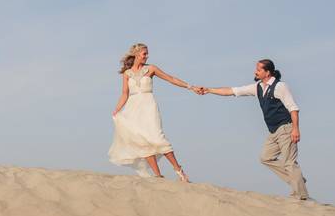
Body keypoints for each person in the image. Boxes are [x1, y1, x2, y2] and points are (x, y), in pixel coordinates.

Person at [195, 59, 310, 200]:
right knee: (265, 158)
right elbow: (232, 91)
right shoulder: (258, 87)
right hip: (273, 131)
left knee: (289, 163)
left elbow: (293, 108)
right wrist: (208, 90)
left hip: (286, 128)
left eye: (259, 69)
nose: (255, 72)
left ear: (267, 72)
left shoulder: (280, 87)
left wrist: (295, 129)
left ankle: (301, 195)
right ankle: (297, 181)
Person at [108, 42, 198, 181]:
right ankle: (158, 176)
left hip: (149, 106)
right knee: (143, 141)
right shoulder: (127, 74)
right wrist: (117, 109)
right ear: (137, 55)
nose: (147, 56)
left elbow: (171, 78)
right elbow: (124, 94)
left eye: (147, 54)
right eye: (144, 54)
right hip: (133, 109)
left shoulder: (151, 69)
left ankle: (178, 170)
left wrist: (190, 86)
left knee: (157, 137)